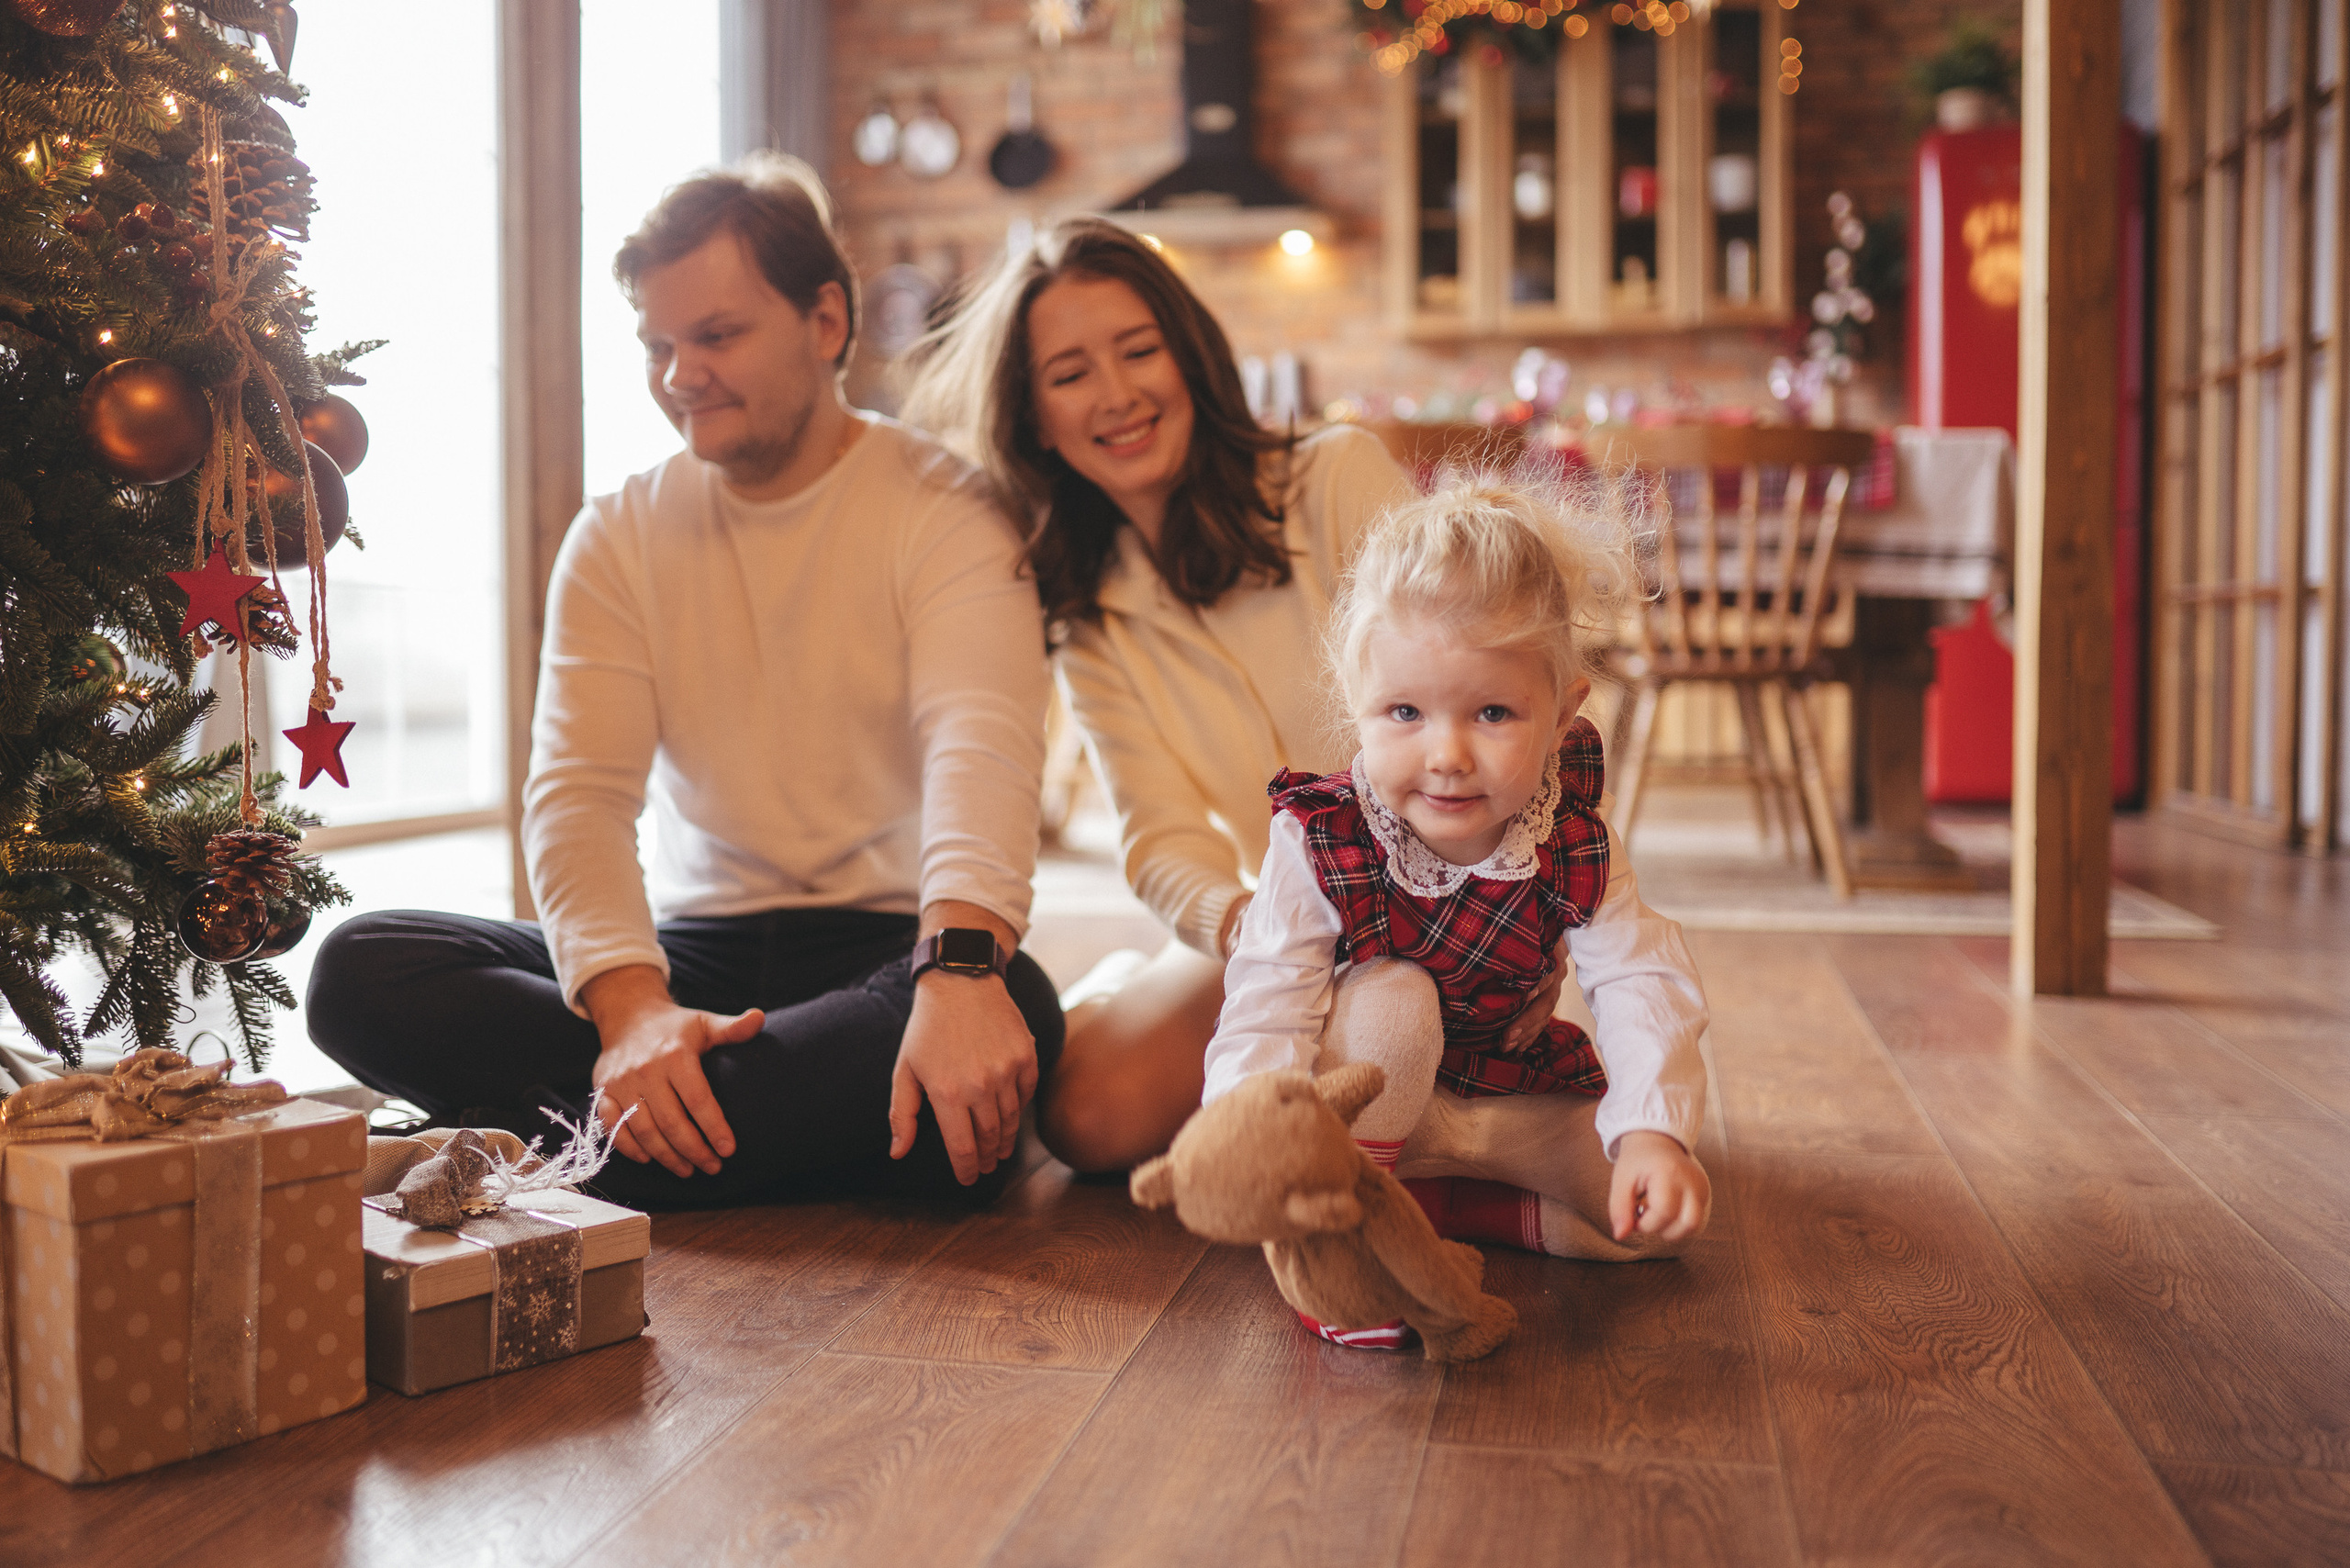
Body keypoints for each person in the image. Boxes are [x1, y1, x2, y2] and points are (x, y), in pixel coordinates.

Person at [307, 155, 1063, 1208]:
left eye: (716, 335)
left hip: (890, 946)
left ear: (827, 320)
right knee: (363, 966)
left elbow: (979, 746)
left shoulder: (943, 509)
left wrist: (963, 972)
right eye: (658, 346)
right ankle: (790, 1140)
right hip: (688, 953)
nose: (679, 374)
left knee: (1010, 1000)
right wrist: (632, 1011)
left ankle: (597, 1144)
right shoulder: (617, 534)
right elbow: (576, 794)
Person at [903, 218, 1566, 1173]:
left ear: (1193, 358)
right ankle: (1128, 989)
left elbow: (1508, 681)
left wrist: (1534, 914)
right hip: (1286, 927)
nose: (1118, 394)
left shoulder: (1333, 478)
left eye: (1140, 351)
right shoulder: (1089, 613)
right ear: (1033, 417)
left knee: (1407, 1106)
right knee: (1088, 1121)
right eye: (1069, 373)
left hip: (1459, 912)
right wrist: (1246, 931)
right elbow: (1159, 836)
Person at [1203, 474, 1712, 1350]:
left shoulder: (1570, 837)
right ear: (1356, 705)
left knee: (1653, 1221)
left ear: (1562, 718)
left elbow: (1638, 977)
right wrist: (1254, 1132)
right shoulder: (1322, 837)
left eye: (1492, 712)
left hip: (1492, 1105)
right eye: (1404, 712)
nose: (1445, 755)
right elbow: (1268, 996)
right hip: (1371, 1106)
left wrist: (1652, 1136)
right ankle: (1354, 1241)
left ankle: (1452, 1207)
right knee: (1395, 1001)